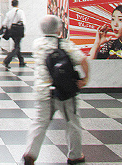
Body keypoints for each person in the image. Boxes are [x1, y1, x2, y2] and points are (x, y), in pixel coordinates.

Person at [22, 15, 89, 165]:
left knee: (39, 122)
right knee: (72, 122)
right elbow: (83, 60)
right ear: (58, 28)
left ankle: (30, 153)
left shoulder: (37, 44)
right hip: (64, 92)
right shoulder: (65, 45)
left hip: (42, 91)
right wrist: (85, 79)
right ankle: (75, 155)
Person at [1, 0, 26, 69]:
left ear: (11, 4)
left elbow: (5, 23)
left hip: (12, 31)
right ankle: (7, 60)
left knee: (17, 45)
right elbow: (23, 22)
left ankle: (21, 61)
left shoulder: (9, 13)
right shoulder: (20, 12)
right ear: (17, 4)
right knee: (16, 47)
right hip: (18, 31)